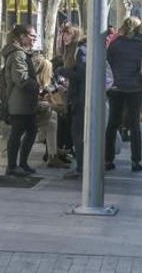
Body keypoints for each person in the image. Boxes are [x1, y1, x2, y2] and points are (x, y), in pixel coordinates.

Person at [104, 17, 142, 172]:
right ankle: (136, 161)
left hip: (115, 88)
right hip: (135, 89)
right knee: (135, 125)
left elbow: (107, 63)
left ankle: (108, 159)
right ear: (139, 29)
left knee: (112, 124)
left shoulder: (115, 44)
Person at [2, 24, 40, 177]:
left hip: (24, 102)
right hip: (19, 102)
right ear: (22, 37)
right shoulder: (18, 55)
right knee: (17, 134)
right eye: (32, 36)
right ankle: (12, 166)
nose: (34, 40)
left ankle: (22, 163)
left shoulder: (22, 54)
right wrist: (38, 85)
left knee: (30, 131)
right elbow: (21, 79)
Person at [58, 25, 87, 179]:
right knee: (77, 134)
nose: (65, 37)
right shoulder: (71, 51)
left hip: (80, 99)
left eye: (68, 34)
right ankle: (81, 166)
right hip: (76, 96)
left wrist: (63, 72)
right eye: (63, 34)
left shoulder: (79, 51)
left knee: (78, 134)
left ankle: (81, 168)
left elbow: (82, 74)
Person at [32, 54, 69, 169]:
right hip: (32, 112)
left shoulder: (43, 84)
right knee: (53, 117)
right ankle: (53, 153)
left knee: (54, 117)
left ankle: (53, 153)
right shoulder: (35, 84)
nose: (51, 74)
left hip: (38, 111)